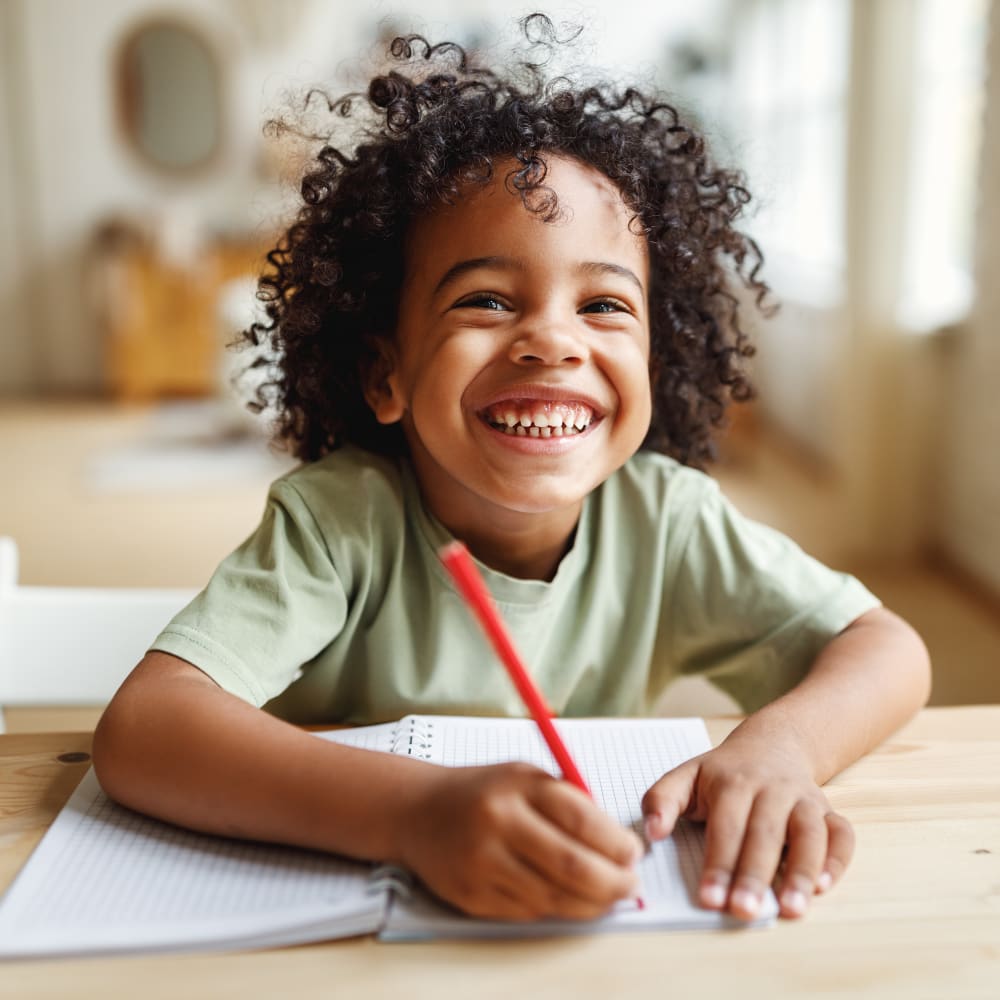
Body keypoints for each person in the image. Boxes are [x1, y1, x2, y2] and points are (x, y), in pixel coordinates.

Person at [93, 15, 931, 926]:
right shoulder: (339, 524)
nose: (554, 342)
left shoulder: (669, 520)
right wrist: (412, 813)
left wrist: (784, 747)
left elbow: (888, 648)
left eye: (605, 303)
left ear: (657, 358)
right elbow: (143, 730)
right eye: (487, 299)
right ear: (386, 373)